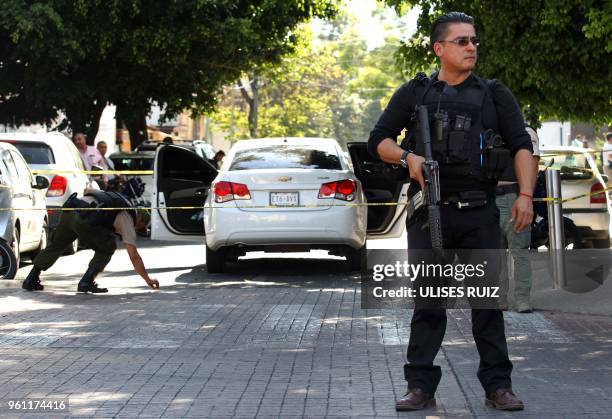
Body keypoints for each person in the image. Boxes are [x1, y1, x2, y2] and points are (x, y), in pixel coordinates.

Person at [368, 12, 535, 412]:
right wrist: (408, 157)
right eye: (461, 41)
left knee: (487, 303)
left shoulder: (495, 94)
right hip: (430, 213)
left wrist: (526, 194)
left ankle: (498, 386)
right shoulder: (416, 93)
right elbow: (379, 140)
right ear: (439, 48)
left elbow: (522, 145)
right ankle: (420, 386)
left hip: (478, 212)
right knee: (428, 302)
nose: (471, 47)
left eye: (474, 40)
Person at [21, 179, 160, 293]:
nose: (137, 231)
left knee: (57, 245)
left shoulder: (115, 198)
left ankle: (31, 279)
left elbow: (88, 191)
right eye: (140, 228)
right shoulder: (128, 219)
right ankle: (86, 282)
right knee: (107, 248)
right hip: (84, 219)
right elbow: (134, 256)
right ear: (140, 220)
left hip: (70, 209)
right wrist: (148, 280)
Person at [497, 126, 540, 313]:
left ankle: (522, 300)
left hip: (515, 196)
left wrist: (526, 198)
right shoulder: (488, 126)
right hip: (490, 197)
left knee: (519, 251)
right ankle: (499, 299)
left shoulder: (525, 132)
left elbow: (533, 165)